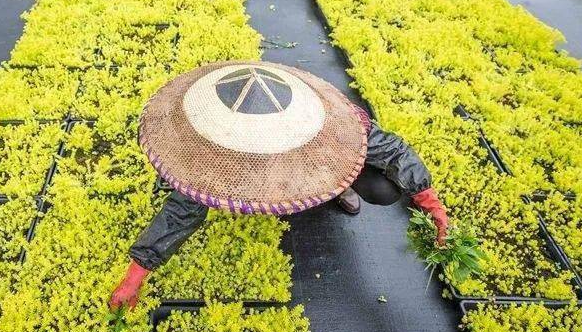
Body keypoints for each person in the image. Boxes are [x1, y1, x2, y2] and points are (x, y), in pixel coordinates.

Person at [109, 102, 449, 311]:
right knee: (201, 186)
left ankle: (337, 182)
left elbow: (395, 151)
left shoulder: (334, 123)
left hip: (326, 150)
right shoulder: (222, 146)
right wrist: (136, 275)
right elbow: (182, 211)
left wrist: (430, 203)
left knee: (384, 189)